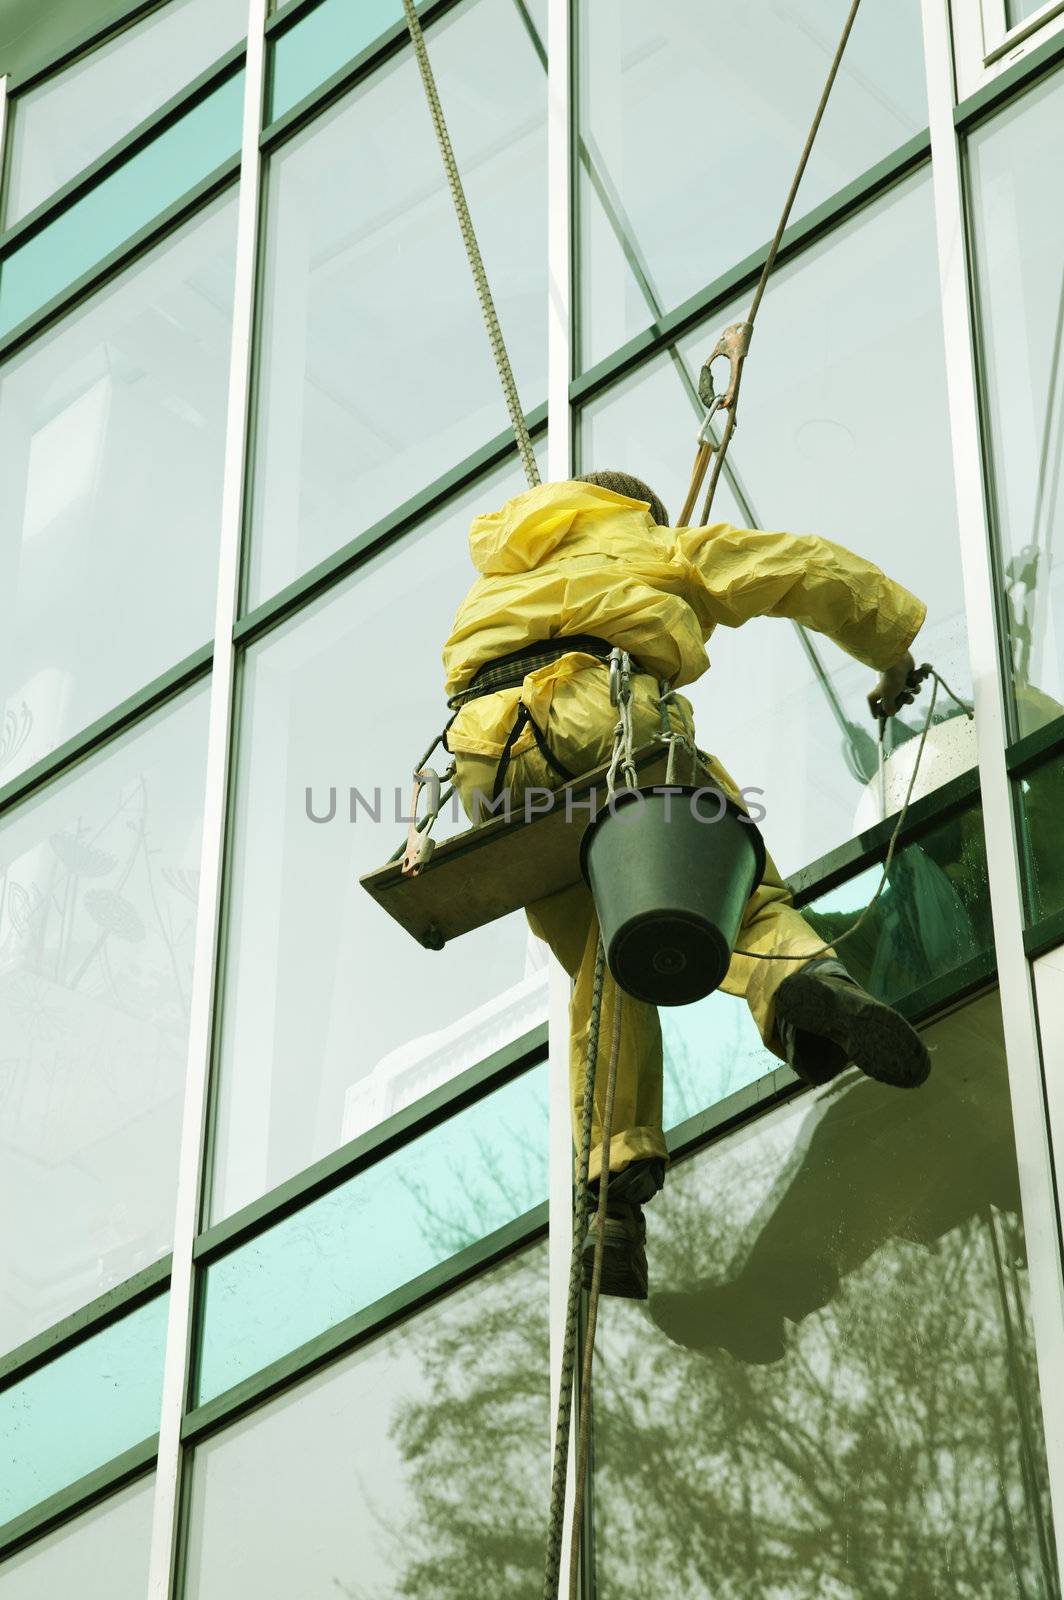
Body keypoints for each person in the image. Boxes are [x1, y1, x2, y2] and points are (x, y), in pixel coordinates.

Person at [442, 471, 931, 1300]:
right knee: (715, 860)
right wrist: (894, 652)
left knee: (613, 958)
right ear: (638, 510)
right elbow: (801, 567)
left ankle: (611, 1193)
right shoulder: (644, 540)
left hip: (488, 764)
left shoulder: (504, 568)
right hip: (597, 716)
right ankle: (796, 981)